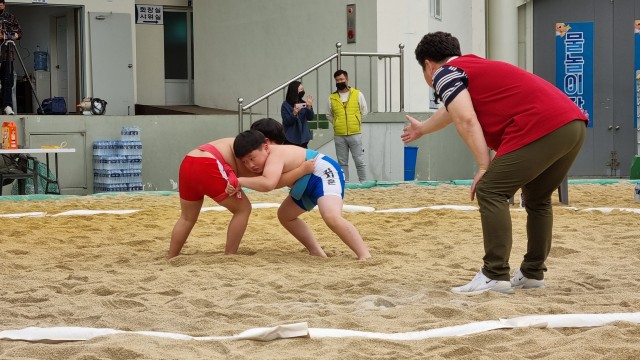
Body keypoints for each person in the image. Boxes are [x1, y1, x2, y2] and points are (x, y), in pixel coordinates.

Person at [402, 31, 587, 295]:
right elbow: (452, 110)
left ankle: (494, 273)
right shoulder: (472, 67)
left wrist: (483, 166)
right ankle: (532, 273)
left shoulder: (445, 73)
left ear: (428, 65)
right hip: (573, 124)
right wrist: (423, 129)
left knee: (490, 189)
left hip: (542, 125)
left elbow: (465, 119)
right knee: (538, 197)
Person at [168, 118, 313, 259]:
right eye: (276, 147)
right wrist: (301, 171)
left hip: (189, 160)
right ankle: (229, 255)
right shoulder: (251, 153)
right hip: (210, 164)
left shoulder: (240, 144)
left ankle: (172, 256)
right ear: (266, 143)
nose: (275, 154)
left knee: (187, 218)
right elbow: (270, 183)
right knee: (243, 209)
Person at [231, 129, 371, 260]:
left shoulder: (276, 154)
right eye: (244, 162)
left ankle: (364, 255)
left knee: (331, 216)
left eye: (252, 158)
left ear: (266, 147)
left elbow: (269, 184)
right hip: (303, 183)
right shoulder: (267, 159)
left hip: (322, 172)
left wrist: (240, 181)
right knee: (285, 215)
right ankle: (316, 251)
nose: (250, 165)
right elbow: (275, 183)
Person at [326, 69, 368, 183]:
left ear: (347, 80)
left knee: (359, 161)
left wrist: (356, 121)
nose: (339, 81)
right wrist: (337, 123)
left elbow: (364, 111)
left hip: (355, 133)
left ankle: (363, 183)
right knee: (342, 162)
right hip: (339, 135)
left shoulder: (357, 94)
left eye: (342, 79)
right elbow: (329, 115)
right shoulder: (331, 97)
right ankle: (345, 184)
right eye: (337, 80)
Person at [0, 0, 22, 115]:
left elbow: (19, 33)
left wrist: (8, 35)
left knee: (7, 81)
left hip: (7, 54)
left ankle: (7, 106)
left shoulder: (10, 17)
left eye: (2, 2)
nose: (0, 4)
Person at [281, 80, 314, 148]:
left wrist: (309, 107)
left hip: (303, 138)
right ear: (294, 91)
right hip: (290, 138)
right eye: (301, 89)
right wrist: (294, 113)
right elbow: (286, 122)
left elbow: (310, 117)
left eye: (303, 89)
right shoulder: (286, 105)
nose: (302, 92)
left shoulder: (303, 102)